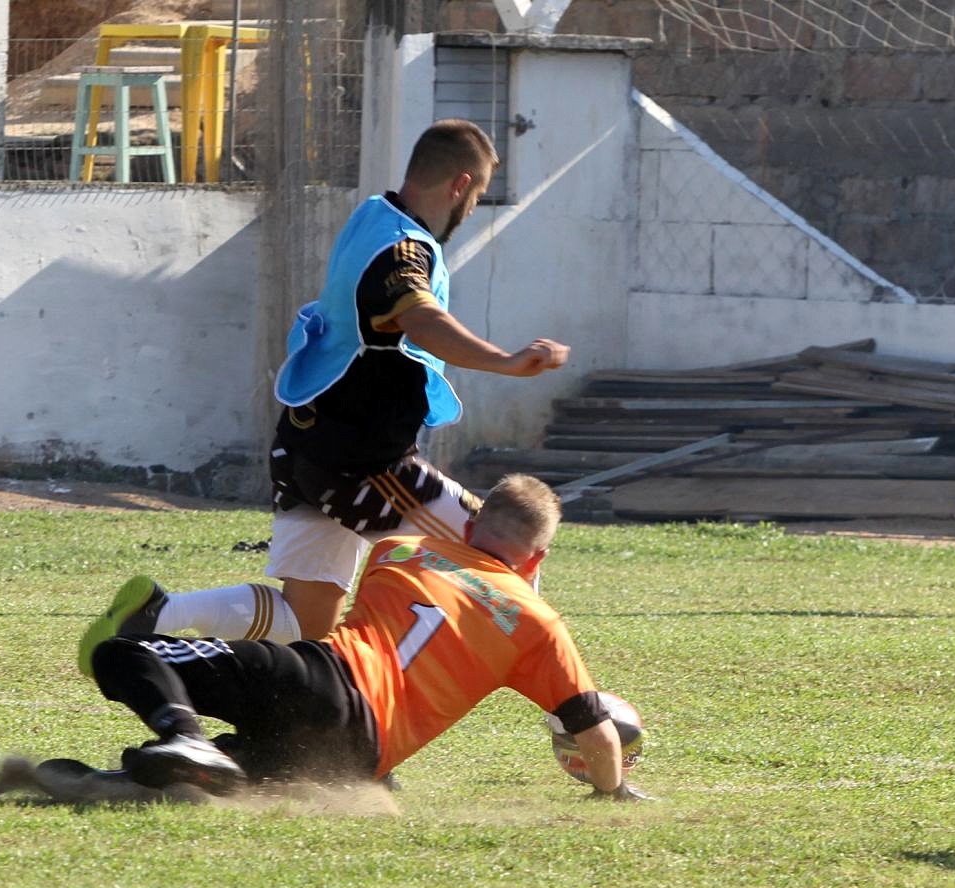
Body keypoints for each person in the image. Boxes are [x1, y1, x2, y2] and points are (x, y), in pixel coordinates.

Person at [77, 119, 569, 671]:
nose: (472, 208)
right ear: (459, 185)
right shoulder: (403, 249)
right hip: (364, 463)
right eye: (476, 195)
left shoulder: (371, 218)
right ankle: (562, 702)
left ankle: (157, 615)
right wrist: (504, 361)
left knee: (307, 624)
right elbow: (421, 318)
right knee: (506, 541)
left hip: (307, 446)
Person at [86, 475, 650, 802]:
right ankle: (148, 778)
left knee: (125, 651)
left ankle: (185, 737)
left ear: (472, 527)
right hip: (362, 758)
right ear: (539, 558)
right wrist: (611, 790)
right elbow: (597, 736)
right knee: (234, 777)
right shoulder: (540, 623)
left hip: (327, 680)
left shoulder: (400, 551)